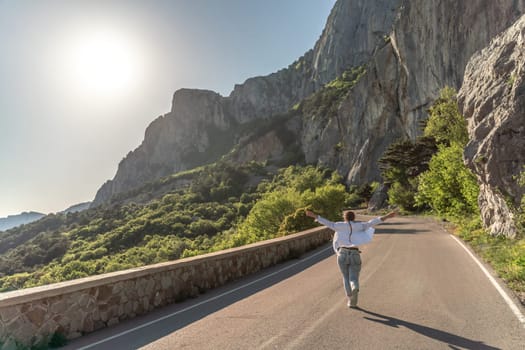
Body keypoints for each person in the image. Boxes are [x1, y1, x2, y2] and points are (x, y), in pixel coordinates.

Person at [305, 209, 396, 308]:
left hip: (342, 253)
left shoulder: (339, 225)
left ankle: (350, 298)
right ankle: (354, 288)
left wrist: (313, 215)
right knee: (353, 277)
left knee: (345, 277)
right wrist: (387, 216)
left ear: (345, 217)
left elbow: (327, 222)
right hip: (355, 253)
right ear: (354, 218)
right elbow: (373, 222)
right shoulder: (360, 225)